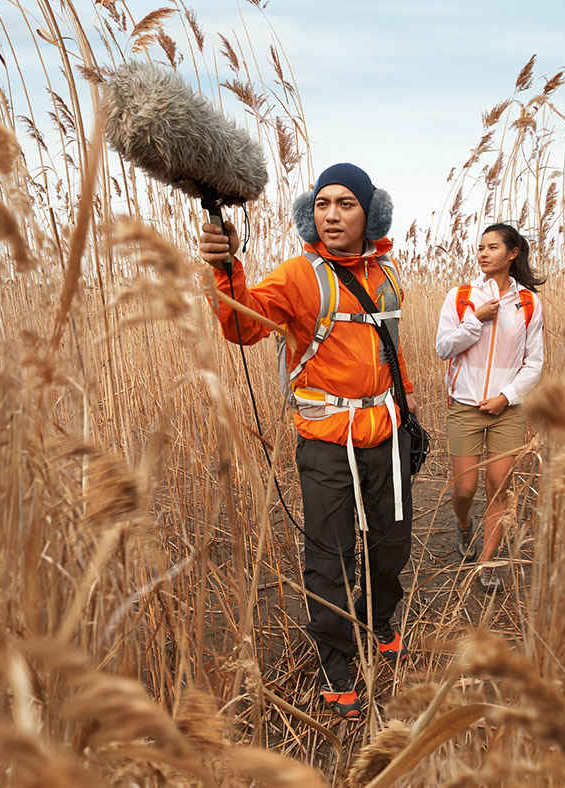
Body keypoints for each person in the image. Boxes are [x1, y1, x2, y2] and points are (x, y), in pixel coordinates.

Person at [198, 163, 415, 720]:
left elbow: (394, 357)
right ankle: (337, 663)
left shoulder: (385, 274)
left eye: (346, 203)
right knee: (329, 556)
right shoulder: (298, 275)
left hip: (386, 436)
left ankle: (380, 619)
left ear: (371, 213)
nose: (333, 214)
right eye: (323, 204)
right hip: (324, 442)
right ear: (310, 213)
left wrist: (409, 414)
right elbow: (241, 325)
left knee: (390, 546)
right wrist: (225, 271)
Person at [433, 223, 545, 592]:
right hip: (464, 407)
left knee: (498, 486)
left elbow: (534, 363)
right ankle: (464, 527)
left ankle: (489, 564)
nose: (483, 253)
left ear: (512, 254)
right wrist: (475, 320)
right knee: (465, 489)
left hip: (507, 410)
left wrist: (506, 397)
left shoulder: (528, 302)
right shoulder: (461, 296)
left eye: (492, 247)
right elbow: (444, 347)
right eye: (480, 247)